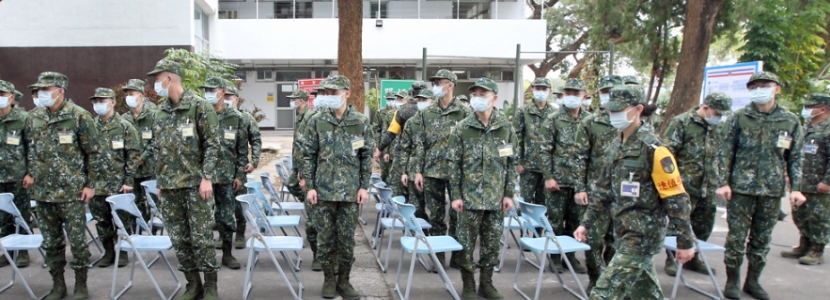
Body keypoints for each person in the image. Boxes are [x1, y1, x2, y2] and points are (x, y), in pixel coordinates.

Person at [574, 86, 695, 300]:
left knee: (602, 294)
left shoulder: (655, 149)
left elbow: (676, 199)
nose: (613, 115)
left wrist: (685, 241)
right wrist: (586, 223)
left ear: (638, 109)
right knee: (646, 294)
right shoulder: (616, 145)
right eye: (610, 111)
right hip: (623, 231)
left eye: (619, 110)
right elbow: (602, 191)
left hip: (642, 236)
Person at [716, 72, 805, 300]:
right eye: (754, 86)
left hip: (772, 191)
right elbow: (726, 152)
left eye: (764, 85)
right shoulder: (739, 117)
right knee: (736, 239)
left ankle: (753, 281)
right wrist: (723, 183)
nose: (759, 89)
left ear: (777, 89)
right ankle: (732, 281)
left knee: (761, 240)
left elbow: (795, 157)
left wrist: (795, 188)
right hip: (741, 190)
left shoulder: (790, 120)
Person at [146, 60, 222, 300]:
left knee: (201, 238)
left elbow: (212, 143)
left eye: (157, 79)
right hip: (170, 186)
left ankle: (210, 286)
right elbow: (158, 149)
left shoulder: (199, 106)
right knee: (180, 239)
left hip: (195, 185)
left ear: (170, 79)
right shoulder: (160, 111)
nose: (154, 84)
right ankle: (193, 284)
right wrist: (160, 181)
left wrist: (207, 177)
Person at [26, 72, 101, 300]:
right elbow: (31, 149)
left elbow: (94, 153)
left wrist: (90, 184)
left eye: (46, 90)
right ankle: (58, 284)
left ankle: (81, 284)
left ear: (60, 90)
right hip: (43, 192)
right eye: (39, 90)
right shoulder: (34, 117)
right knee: (51, 242)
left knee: (78, 241)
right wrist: (31, 173)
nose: (41, 94)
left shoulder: (79, 116)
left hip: (72, 192)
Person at [300, 75, 372, 300]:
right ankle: (329, 280)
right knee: (325, 239)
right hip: (323, 191)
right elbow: (308, 155)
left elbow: (366, 155)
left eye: (335, 92)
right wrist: (310, 186)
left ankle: (345, 281)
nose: (330, 96)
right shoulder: (316, 120)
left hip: (350, 192)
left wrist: (364, 186)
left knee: (347, 239)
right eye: (327, 93)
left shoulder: (360, 121)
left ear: (347, 93)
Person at [448, 77, 516, 300]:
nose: (477, 98)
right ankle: (468, 284)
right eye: (474, 94)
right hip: (469, 198)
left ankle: (486, 283)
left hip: (496, 198)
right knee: (466, 243)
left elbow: (511, 163)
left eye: (482, 94)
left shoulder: (505, 128)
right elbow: (454, 164)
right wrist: (455, 195)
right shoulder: (462, 128)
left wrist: (508, 194)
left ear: (494, 98)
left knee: (492, 243)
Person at [662, 92, 732, 276]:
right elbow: (666, 154)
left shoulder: (718, 127)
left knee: (704, 224)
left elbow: (722, 156)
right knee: (679, 224)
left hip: (708, 186)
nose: (719, 117)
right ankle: (672, 259)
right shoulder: (681, 122)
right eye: (717, 113)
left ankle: (694, 258)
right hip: (684, 186)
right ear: (706, 107)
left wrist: (723, 181)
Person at [412, 69, 473, 267]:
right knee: (437, 217)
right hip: (432, 171)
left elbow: (471, 144)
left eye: (440, 82)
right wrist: (418, 171)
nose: (436, 85)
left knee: (458, 216)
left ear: (451, 84)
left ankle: (457, 257)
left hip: (457, 174)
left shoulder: (464, 112)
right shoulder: (427, 113)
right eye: (435, 82)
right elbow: (420, 143)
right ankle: (438, 257)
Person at [540, 78, 591, 273]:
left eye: (575, 94)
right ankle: (555, 258)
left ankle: (571, 257)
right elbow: (544, 150)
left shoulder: (589, 120)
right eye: (568, 93)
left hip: (579, 182)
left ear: (584, 96)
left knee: (575, 221)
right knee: (554, 221)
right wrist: (548, 176)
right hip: (558, 181)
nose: (571, 97)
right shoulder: (553, 118)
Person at [87, 87, 141, 269]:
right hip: (96, 184)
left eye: (102, 101)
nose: (98, 105)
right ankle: (108, 251)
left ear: (112, 102)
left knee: (121, 220)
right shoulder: (90, 127)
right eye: (95, 101)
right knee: (101, 221)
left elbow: (133, 156)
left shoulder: (125, 126)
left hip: (118, 184)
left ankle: (123, 251)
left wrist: (128, 181)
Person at [202, 76, 247, 270]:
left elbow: (242, 149)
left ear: (222, 92)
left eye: (212, 91)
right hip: (205, 177)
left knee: (227, 216)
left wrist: (240, 175)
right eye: (207, 91)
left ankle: (227, 254)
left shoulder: (236, 117)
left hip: (227, 177)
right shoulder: (200, 114)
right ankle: (206, 256)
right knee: (203, 217)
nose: (209, 94)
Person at [785, 83, 830, 265]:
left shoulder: (827, 130)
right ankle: (804, 245)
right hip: (801, 183)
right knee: (800, 215)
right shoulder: (804, 128)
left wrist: (827, 181)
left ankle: (816, 250)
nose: (806, 109)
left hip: (819, 184)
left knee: (819, 218)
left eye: (810, 107)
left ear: (823, 109)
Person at [285, 85, 322, 271]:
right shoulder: (301, 117)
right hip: (305, 169)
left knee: (321, 221)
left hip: (319, 175)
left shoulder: (310, 117)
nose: (292, 101)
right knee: (313, 220)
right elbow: (302, 148)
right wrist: (301, 171)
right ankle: (317, 254)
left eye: (294, 99)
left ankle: (325, 257)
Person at [0, 80, 34, 268]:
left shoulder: (23, 118)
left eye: (1, 94)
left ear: (11, 97)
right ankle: (7, 251)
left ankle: (22, 252)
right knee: (2, 218)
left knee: (21, 214)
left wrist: (30, 173)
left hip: (19, 177)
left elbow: (33, 147)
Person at [225, 82, 262, 249]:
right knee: (222, 205)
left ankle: (240, 233)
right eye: (223, 96)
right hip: (220, 169)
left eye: (229, 97)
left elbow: (255, 140)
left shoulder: (245, 118)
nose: (225, 100)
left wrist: (253, 161)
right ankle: (224, 234)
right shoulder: (216, 117)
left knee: (239, 204)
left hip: (239, 167)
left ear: (236, 99)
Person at [120, 79, 157, 224]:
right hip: (133, 170)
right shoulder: (124, 119)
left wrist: (143, 156)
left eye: (132, 93)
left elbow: (157, 139)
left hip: (150, 167)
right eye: (127, 94)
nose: (128, 97)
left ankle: (154, 230)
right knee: (136, 201)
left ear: (141, 96)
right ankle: (141, 227)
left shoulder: (152, 115)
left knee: (153, 201)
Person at [393, 89, 435, 220]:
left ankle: (435, 237)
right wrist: (404, 172)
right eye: (420, 100)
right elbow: (404, 149)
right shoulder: (412, 122)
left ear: (433, 102)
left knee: (436, 211)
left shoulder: (438, 123)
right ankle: (419, 236)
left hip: (433, 172)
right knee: (416, 208)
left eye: (425, 100)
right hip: (412, 172)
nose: (422, 103)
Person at [515, 78, 556, 206]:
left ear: (550, 91)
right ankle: (524, 225)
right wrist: (518, 162)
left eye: (544, 89)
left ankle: (538, 227)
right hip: (528, 166)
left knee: (543, 204)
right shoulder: (523, 111)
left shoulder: (554, 113)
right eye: (538, 88)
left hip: (547, 168)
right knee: (525, 202)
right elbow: (516, 138)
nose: (540, 91)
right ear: (532, 90)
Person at [373, 90, 397, 182]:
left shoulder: (400, 112)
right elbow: (377, 130)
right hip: (383, 147)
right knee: (385, 173)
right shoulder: (380, 112)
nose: (390, 101)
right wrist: (379, 147)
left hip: (396, 148)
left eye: (392, 99)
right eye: (388, 99)